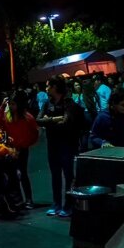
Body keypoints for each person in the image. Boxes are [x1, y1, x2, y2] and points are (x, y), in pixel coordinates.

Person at [37, 77, 85, 218]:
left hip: (67, 145)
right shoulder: (47, 103)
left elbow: (66, 122)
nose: (46, 89)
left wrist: (49, 120)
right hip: (52, 144)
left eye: (48, 86)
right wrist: (55, 119)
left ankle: (68, 205)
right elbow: (38, 120)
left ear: (55, 87)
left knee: (69, 175)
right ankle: (56, 203)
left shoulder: (68, 103)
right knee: (55, 175)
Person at [0, 91, 39, 210]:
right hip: (11, 149)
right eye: (10, 103)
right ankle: (18, 199)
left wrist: (24, 144)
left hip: (22, 149)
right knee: (13, 175)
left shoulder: (28, 117)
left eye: (13, 104)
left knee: (23, 173)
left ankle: (29, 199)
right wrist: (2, 107)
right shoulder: (8, 115)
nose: (11, 106)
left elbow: (35, 134)